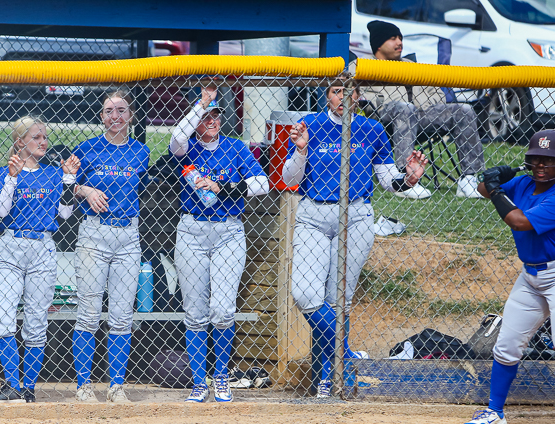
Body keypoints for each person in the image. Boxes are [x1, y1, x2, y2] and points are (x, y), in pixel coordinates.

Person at [283, 79, 427, 398]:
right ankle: (344, 352)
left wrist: (409, 178)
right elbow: (288, 179)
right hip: (314, 215)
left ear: (358, 96)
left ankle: (326, 379)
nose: (344, 96)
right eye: (337, 91)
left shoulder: (371, 129)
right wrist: (301, 149)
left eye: (350, 91)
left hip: (357, 216)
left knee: (339, 302)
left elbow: (389, 181)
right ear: (327, 95)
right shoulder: (311, 124)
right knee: (305, 295)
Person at [462, 129, 555, 424]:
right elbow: (484, 189)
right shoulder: (522, 182)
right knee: (506, 346)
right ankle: (494, 413)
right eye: (536, 159)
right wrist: (495, 176)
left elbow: (519, 221)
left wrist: (496, 190)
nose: (540, 165)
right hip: (532, 276)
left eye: (549, 161)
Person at [169, 85, 271, 403]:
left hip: (228, 231)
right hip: (192, 232)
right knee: (196, 312)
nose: (212, 121)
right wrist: (200, 105)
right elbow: (176, 138)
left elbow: (262, 184)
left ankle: (222, 377)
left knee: (223, 310)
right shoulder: (186, 150)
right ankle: (200, 382)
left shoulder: (235, 147)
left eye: (216, 116)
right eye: (206, 117)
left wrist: (224, 186)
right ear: (195, 119)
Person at [0, 116, 80, 404]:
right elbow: (1, 212)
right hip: (12, 244)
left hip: (42, 246)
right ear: (20, 141)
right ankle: (13, 383)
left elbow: (64, 214)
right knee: (1, 317)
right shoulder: (4, 172)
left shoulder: (52, 174)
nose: (43, 142)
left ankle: (27, 388)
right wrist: (12, 179)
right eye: (36, 137)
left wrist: (69, 180)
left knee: (36, 321)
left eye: (44, 137)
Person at [70, 90, 150, 404]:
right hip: (94, 234)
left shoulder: (141, 152)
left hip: (129, 236)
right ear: (101, 116)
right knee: (89, 314)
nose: (114, 117)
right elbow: (66, 186)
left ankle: (116, 386)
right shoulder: (87, 149)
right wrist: (85, 189)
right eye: (108, 111)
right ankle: (83, 386)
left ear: (131, 115)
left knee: (121, 316)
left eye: (120, 110)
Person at [363, 20, 485, 200]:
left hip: (420, 116)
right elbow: (370, 101)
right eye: (392, 38)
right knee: (405, 108)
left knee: (463, 110)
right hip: (385, 120)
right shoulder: (365, 67)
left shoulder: (414, 67)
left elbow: (437, 93)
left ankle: (468, 179)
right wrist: (406, 103)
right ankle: (405, 179)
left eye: (400, 38)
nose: (399, 43)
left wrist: (422, 106)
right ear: (379, 45)